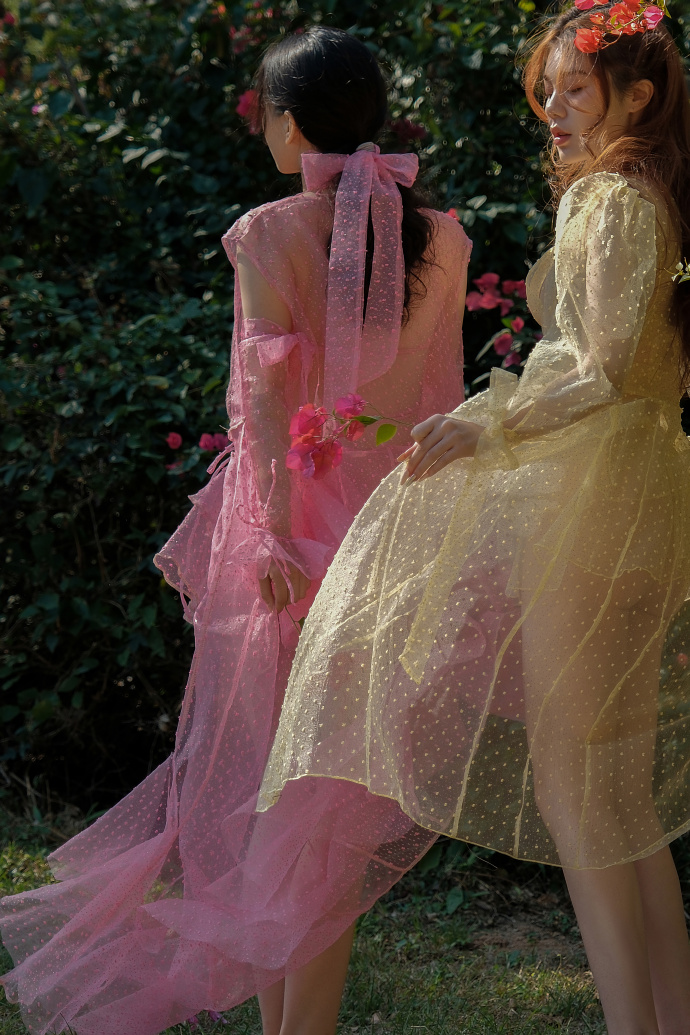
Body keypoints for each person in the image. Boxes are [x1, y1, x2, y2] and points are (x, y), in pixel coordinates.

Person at [0, 26, 470, 1035]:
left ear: (290, 125)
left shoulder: (268, 234)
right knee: (330, 803)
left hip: (294, 538)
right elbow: (441, 401)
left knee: (279, 796)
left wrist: (267, 536)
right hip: (392, 540)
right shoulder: (444, 235)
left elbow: (263, 400)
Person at [258, 4, 690, 1033]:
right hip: (646, 493)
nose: (555, 109)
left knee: (582, 796)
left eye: (576, 89)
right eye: (549, 90)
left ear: (638, 96)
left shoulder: (610, 198)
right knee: (619, 799)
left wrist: (486, 424)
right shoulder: (655, 195)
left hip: (588, 499)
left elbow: (597, 370)